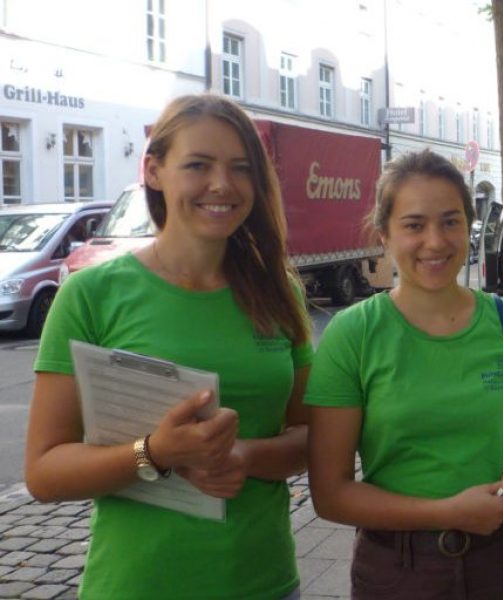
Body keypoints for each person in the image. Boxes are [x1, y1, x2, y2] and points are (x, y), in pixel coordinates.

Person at [24, 94, 312, 600]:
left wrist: (243, 455)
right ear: (154, 171)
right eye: (198, 165)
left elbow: (312, 438)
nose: (222, 185)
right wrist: (155, 453)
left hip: (263, 581)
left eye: (241, 168)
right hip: (137, 585)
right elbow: (45, 473)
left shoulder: (278, 292)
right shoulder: (92, 294)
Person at [304, 149, 503, 600]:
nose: (435, 241)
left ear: (468, 225)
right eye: (414, 225)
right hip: (399, 570)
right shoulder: (354, 334)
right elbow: (330, 494)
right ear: (384, 234)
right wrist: (447, 511)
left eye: (450, 221)